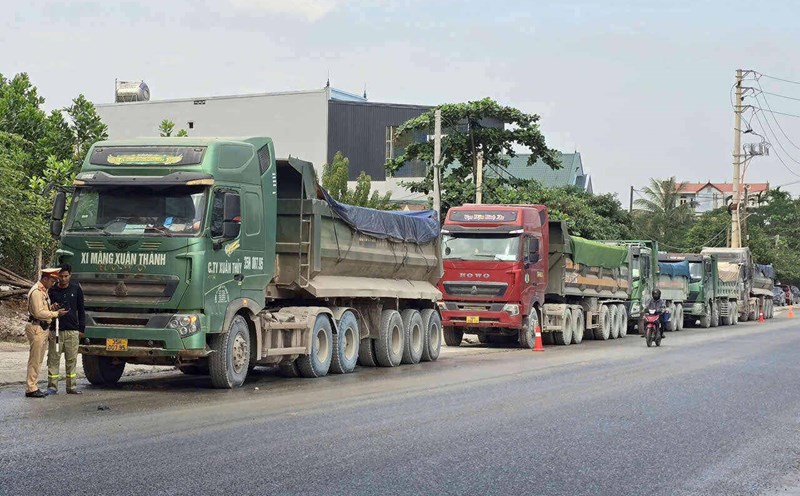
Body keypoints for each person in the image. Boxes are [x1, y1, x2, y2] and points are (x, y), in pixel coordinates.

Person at [24, 268, 68, 398]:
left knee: (38, 360)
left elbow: (42, 309)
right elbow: (38, 313)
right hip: (37, 327)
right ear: (45, 279)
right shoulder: (37, 292)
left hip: (41, 327)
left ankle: (33, 386)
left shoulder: (43, 291)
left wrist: (51, 308)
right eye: (52, 280)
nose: (53, 283)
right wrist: (55, 314)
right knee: (35, 359)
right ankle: (31, 387)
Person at [46, 264, 85, 395]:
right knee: (53, 358)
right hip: (56, 331)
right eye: (61, 276)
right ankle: (52, 387)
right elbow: (46, 308)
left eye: (66, 276)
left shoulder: (76, 289)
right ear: (57, 276)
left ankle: (71, 387)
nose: (63, 279)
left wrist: (81, 329)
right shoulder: (52, 290)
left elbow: (81, 309)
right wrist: (52, 307)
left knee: (71, 360)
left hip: (72, 331)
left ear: (70, 275)